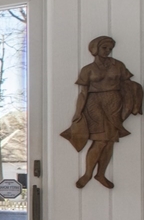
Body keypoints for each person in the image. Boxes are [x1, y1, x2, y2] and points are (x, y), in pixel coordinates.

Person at [60, 36, 142, 188]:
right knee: (100, 141)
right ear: (95, 48)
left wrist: (133, 102)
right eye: (104, 48)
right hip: (94, 104)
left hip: (114, 103)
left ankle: (101, 174)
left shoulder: (118, 65)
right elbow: (83, 93)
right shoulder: (88, 69)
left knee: (110, 142)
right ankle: (88, 174)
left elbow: (128, 85)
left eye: (110, 49)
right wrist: (78, 112)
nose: (107, 51)